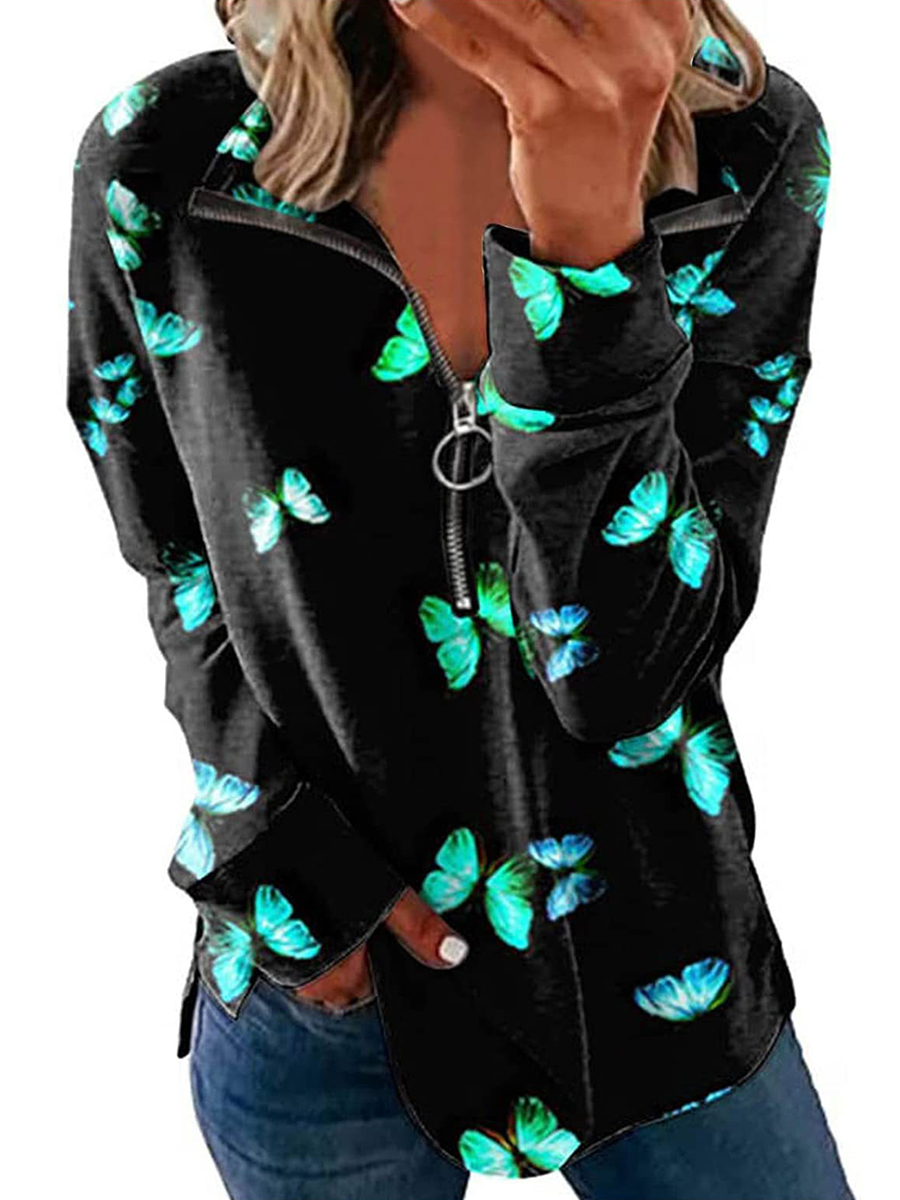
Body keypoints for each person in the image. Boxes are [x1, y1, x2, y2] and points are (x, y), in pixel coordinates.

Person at [66, 0, 853, 1196]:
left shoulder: (750, 145)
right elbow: (176, 561)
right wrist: (281, 859)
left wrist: (589, 259)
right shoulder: (168, 152)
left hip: (657, 955)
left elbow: (629, 675)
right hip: (324, 972)